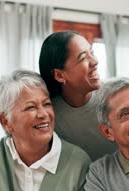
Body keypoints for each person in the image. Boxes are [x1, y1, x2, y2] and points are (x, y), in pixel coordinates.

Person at [39, 31, 117, 161]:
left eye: (91, 53)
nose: (95, 61)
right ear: (59, 75)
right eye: (83, 58)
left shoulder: (114, 98)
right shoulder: (48, 115)